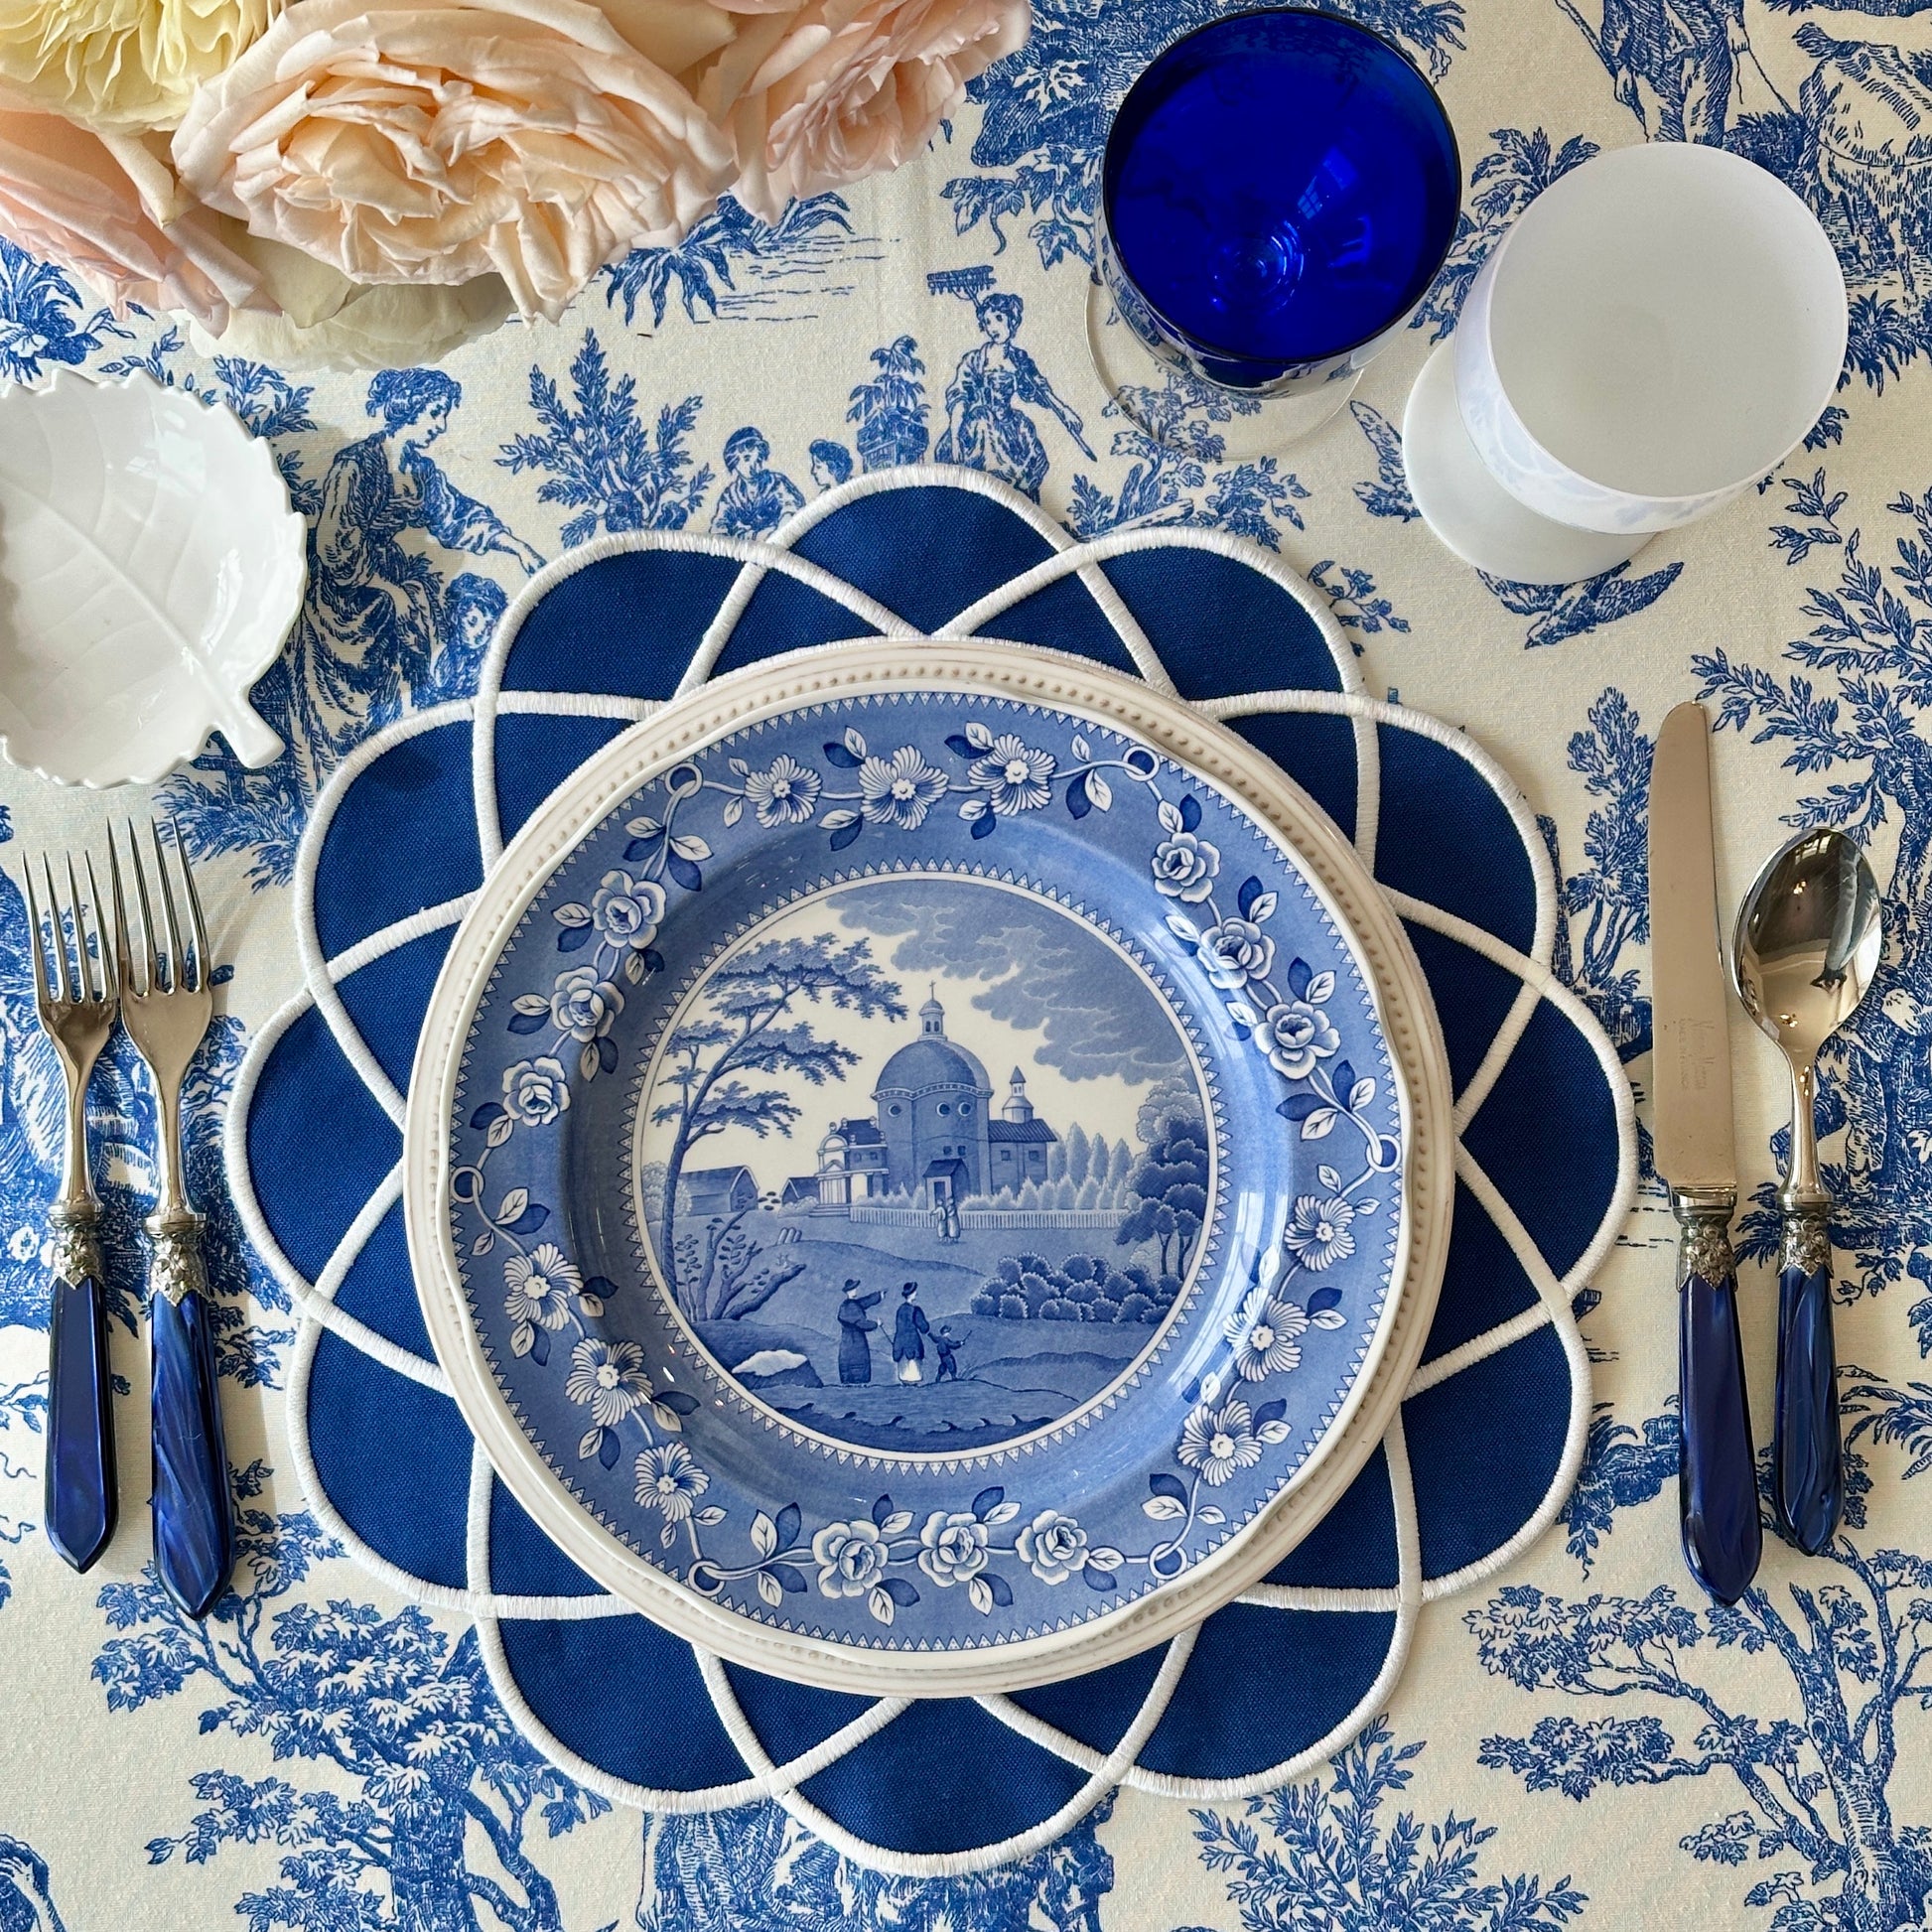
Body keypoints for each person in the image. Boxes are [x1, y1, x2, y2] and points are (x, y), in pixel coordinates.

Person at [936, 292, 1093, 499]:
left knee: (1028, 449)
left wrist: (1065, 411)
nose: (993, 327)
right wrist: (955, 438)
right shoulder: (974, 360)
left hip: (1009, 426)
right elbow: (959, 399)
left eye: (999, 319)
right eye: (988, 321)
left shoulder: (1019, 359)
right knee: (983, 435)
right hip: (977, 425)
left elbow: (1041, 391)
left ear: (1013, 319)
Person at [711, 425, 805, 536]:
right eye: (741, 459)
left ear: (760, 454)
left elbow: (791, 512)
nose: (749, 463)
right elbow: (718, 527)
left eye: (750, 455)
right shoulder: (731, 495)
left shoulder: (776, 482)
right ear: (734, 463)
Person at [836, 1278, 882, 1385]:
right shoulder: (849, 1307)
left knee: (852, 1364)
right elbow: (862, 1323)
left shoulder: (851, 1304)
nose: (855, 1291)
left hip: (849, 1342)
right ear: (847, 1292)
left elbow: (865, 1301)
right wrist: (876, 1324)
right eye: (852, 1289)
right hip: (854, 1342)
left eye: (855, 1288)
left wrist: (878, 1296)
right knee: (856, 1365)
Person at [893, 1281, 929, 1385]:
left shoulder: (900, 1309)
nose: (916, 1293)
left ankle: (905, 1381)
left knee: (903, 1365)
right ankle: (913, 1383)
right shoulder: (915, 1310)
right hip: (912, 1341)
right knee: (913, 1366)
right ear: (911, 1293)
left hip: (900, 1341)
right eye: (915, 1291)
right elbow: (924, 1328)